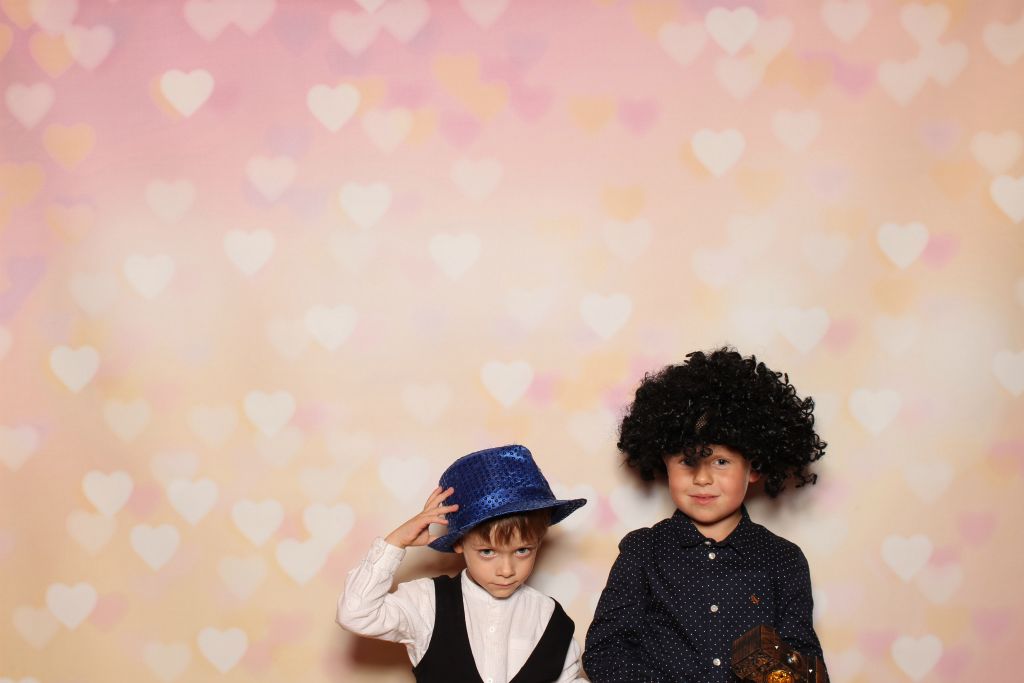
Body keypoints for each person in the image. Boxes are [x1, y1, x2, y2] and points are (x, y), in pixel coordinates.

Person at [583, 348, 829, 682]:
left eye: (721, 462)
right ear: (664, 463)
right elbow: (605, 651)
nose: (702, 478)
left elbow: (806, 658)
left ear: (755, 467)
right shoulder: (642, 552)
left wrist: (788, 672)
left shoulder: (783, 560)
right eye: (688, 462)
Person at [338, 444, 587, 682]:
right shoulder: (427, 602)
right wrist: (395, 543)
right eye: (487, 552)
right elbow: (355, 613)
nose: (506, 570)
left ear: (538, 543)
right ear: (459, 543)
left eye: (522, 550)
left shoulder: (549, 616)